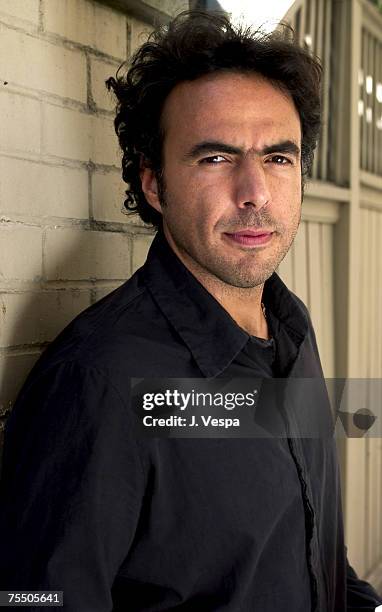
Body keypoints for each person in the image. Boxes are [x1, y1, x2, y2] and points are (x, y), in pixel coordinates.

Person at [0, 10, 381, 612]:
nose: (254, 191)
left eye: (278, 158)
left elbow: (311, 552)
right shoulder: (97, 382)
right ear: (153, 183)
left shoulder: (291, 327)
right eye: (215, 158)